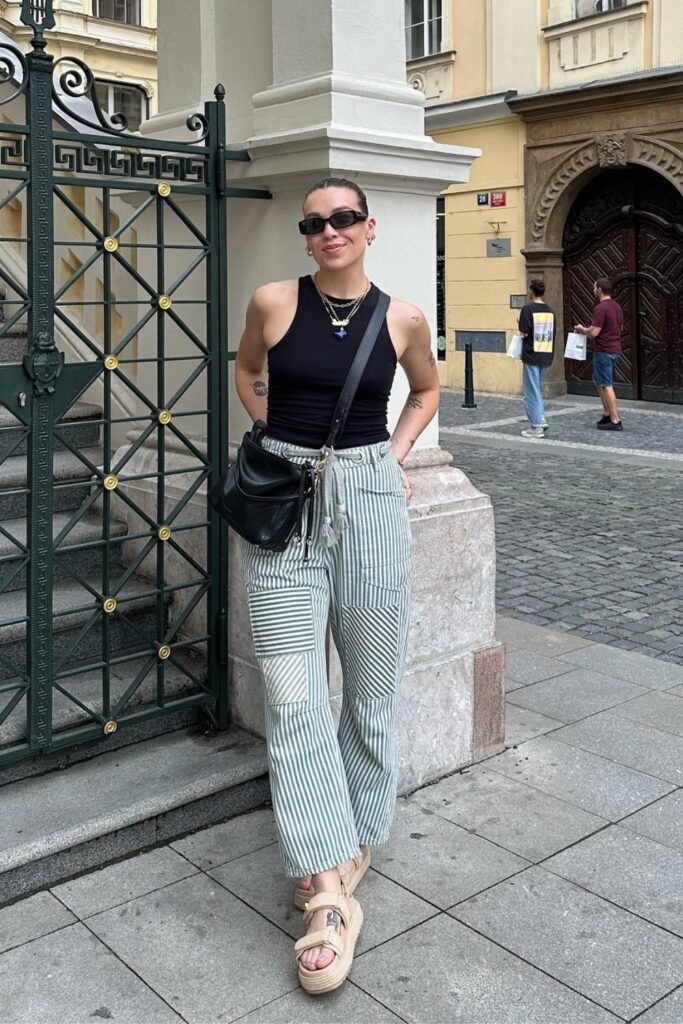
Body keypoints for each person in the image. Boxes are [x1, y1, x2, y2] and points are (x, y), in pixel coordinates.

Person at [234, 177, 440, 995]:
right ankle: (326, 888)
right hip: (285, 509)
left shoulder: (403, 318)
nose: (329, 231)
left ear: (369, 227)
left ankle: (357, 838)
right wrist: (273, 439)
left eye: (343, 218)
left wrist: (387, 461)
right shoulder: (272, 301)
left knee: (371, 689)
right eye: (314, 223)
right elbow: (250, 374)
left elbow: (423, 392)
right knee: (292, 696)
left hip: (373, 506)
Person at [574, 277, 624, 431]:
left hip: (604, 350)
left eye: (594, 287)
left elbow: (594, 332)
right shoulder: (617, 306)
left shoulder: (600, 308)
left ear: (600, 290)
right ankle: (607, 413)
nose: (593, 290)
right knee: (598, 381)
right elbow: (620, 327)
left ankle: (615, 420)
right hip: (615, 348)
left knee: (607, 385)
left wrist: (583, 330)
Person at [518, 279, 555, 438]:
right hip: (546, 354)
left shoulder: (528, 308)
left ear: (531, 292)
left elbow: (524, 332)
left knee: (530, 391)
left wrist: (520, 324)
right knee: (536, 388)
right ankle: (540, 418)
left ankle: (537, 426)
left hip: (532, 354)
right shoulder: (550, 310)